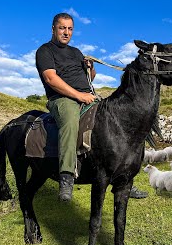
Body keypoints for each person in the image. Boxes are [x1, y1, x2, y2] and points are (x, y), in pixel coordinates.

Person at [36, 12, 148, 201]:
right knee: (70, 122)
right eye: (62, 28)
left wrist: (91, 68)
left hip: (87, 95)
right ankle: (66, 176)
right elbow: (50, 78)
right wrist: (79, 95)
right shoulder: (45, 51)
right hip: (62, 99)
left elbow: (89, 79)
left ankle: (123, 178)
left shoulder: (76, 52)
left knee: (113, 124)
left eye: (70, 29)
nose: (66, 32)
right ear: (53, 28)